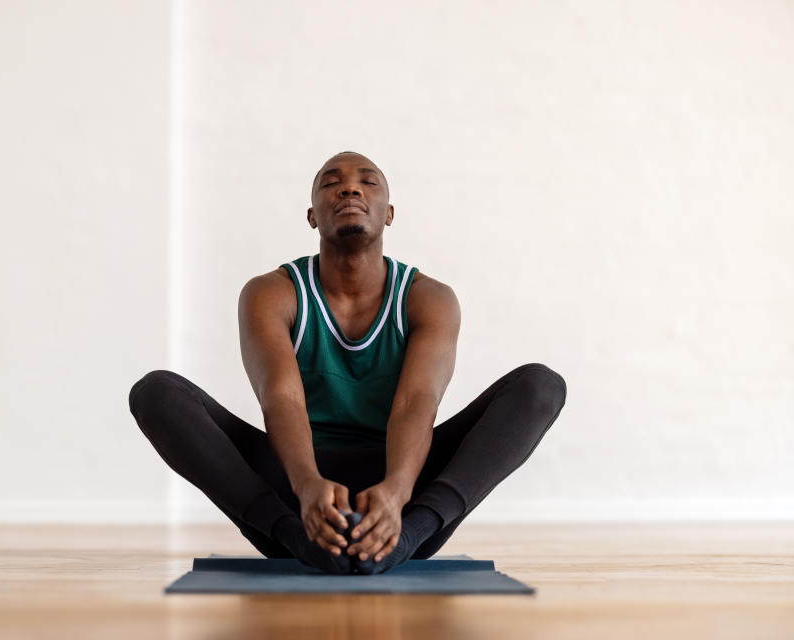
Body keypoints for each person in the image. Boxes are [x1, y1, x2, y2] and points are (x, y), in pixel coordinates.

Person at [128, 151, 567, 574]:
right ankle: (300, 540)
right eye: (331, 184)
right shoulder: (272, 293)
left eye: (367, 182)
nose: (349, 190)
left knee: (539, 386)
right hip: (295, 491)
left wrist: (396, 493)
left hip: (406, 491)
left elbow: (417, 402)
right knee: (157, 393)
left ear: (389, 213)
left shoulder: (428, 298)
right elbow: (280, 397)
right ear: (312, 216)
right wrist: (306, 486)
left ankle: (407, 538)